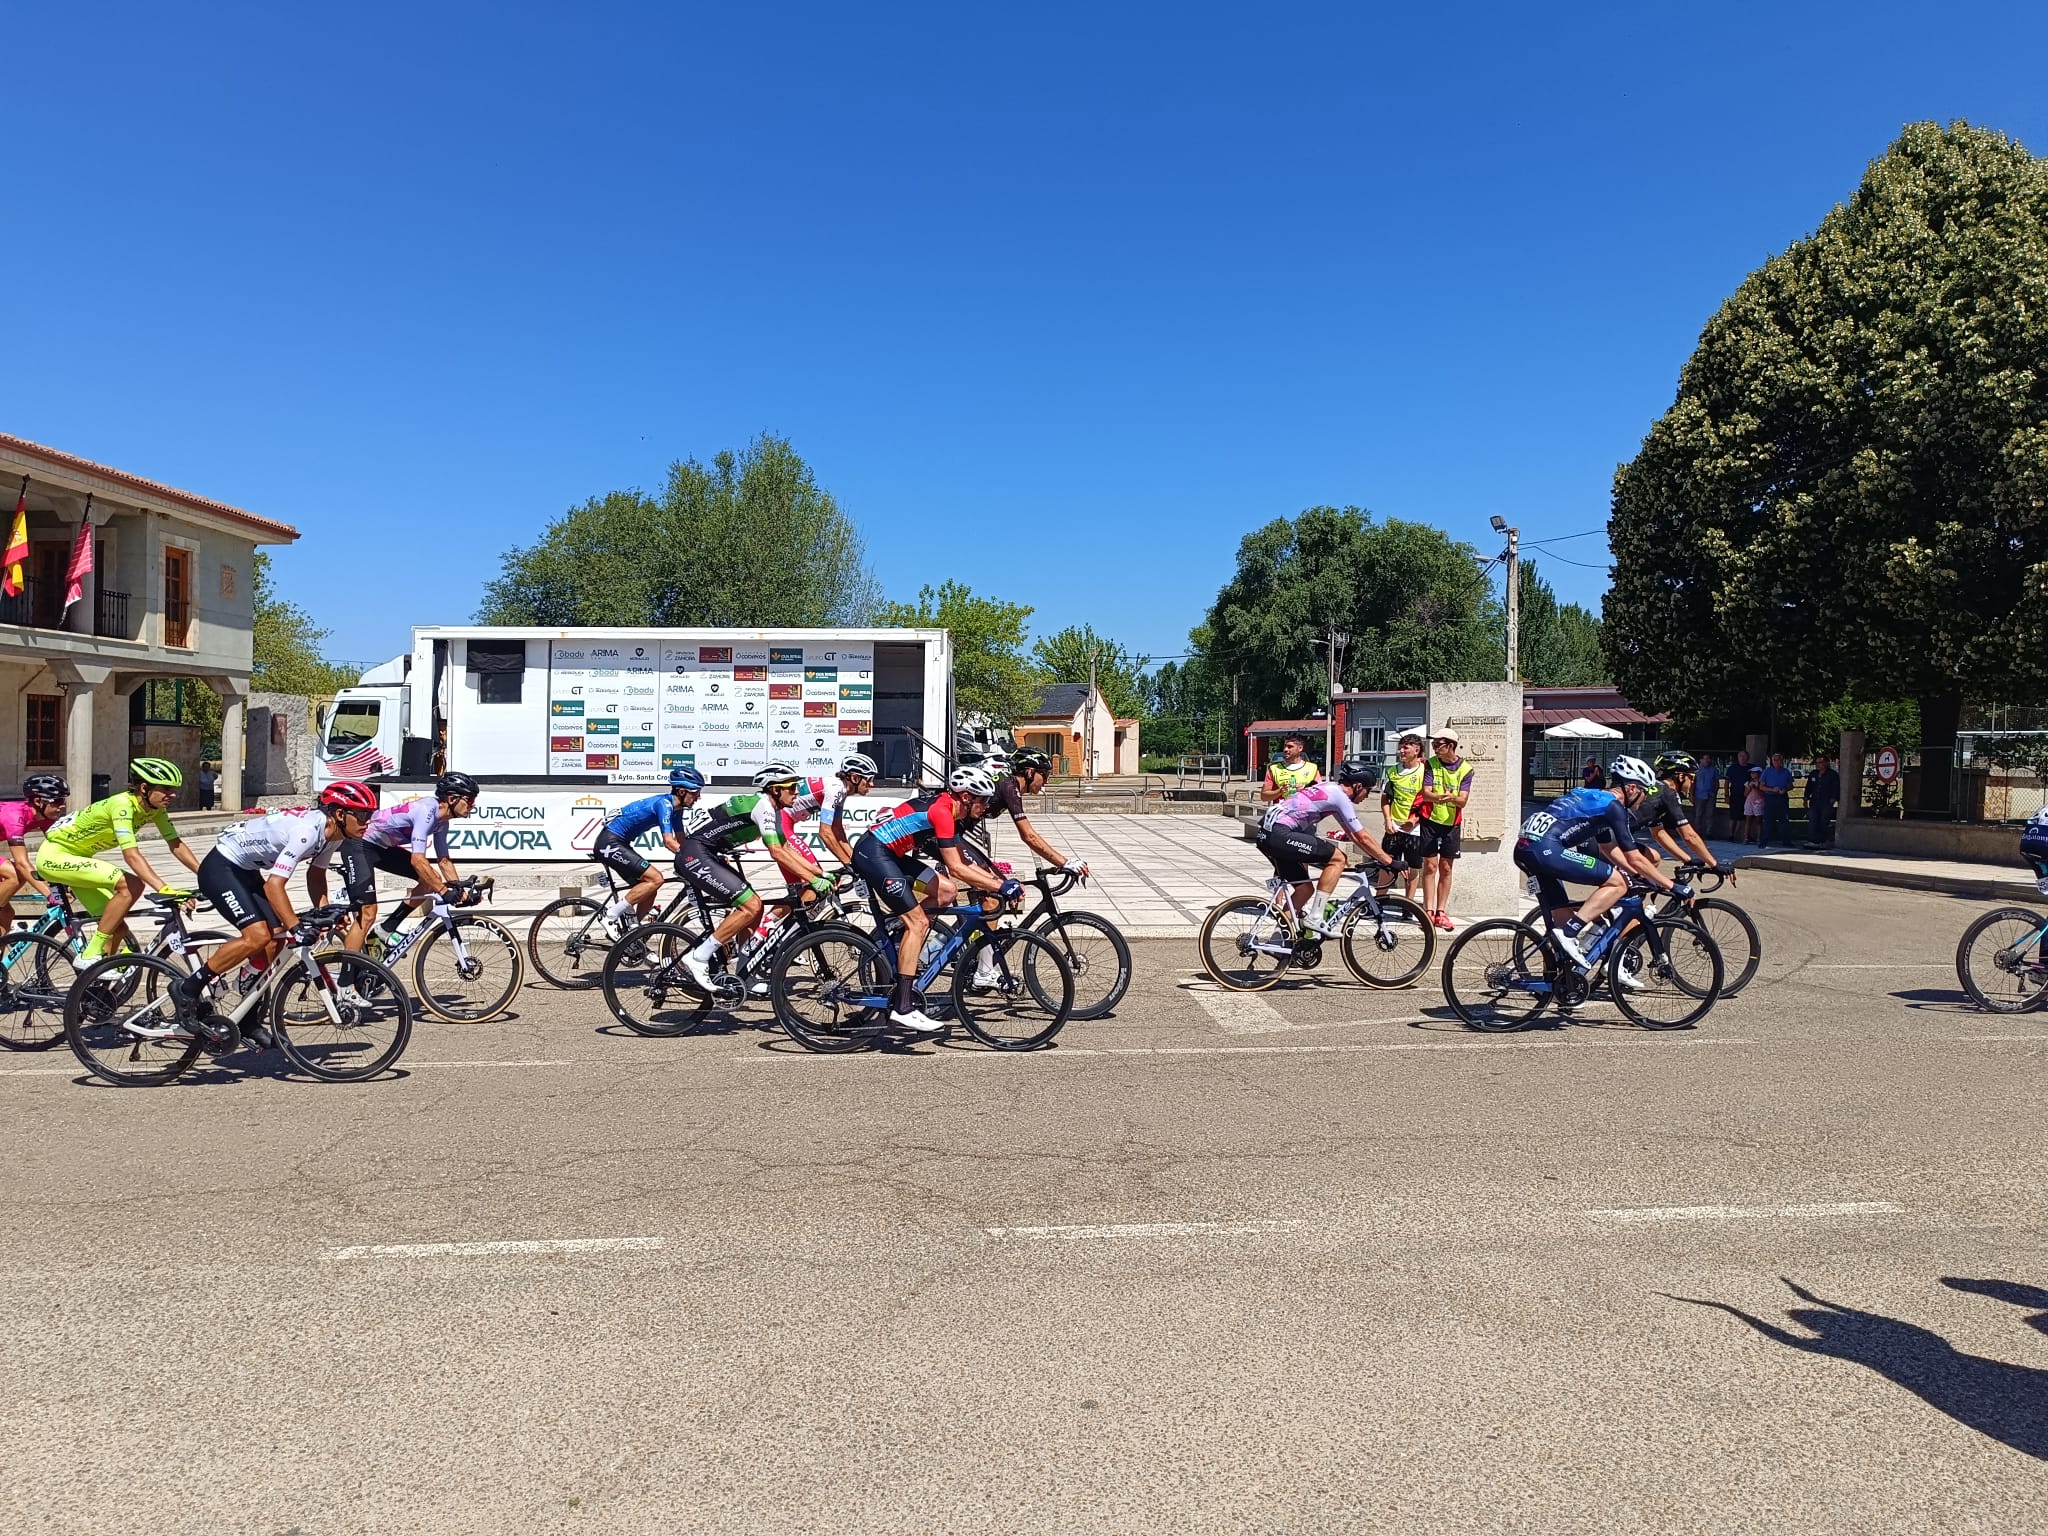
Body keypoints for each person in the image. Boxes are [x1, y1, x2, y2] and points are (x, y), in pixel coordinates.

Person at [173, 780, 379, 1046]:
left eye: (370, 816)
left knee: (275, 940)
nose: (367, 822)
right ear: (340, 814)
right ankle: (187, 989)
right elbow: (274, 885)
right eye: (363, 816)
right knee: (257, 936)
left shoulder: (333, 835)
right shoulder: (307, 832)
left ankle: (246, 1015)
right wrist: (296, 925)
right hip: (221, 867)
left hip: (245, 870)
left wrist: (325, 912)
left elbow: (316, 874)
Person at [852, 764, 1019, 1033]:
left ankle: (900, 932)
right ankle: (903, 1007)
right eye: (983, 800)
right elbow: (957, 867)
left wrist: (998, 883)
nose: (986, 806)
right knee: (918, 923)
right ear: (966, 797)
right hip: (873, 854)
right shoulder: (942, 812)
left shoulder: (948, 810)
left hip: (889, 854)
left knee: (947, 891)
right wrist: (1000, 888)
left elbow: (965, 867)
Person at [1513, 755, 1686, 976]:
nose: (1644, 799)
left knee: (1560, 922)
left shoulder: (1593, 799)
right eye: (1643, 792)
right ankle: (1570, 933)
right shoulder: (1614, 808)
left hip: (1526, 849)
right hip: (1547, 850)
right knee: (1617, 883)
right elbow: (1635, 857)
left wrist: (1638, 876)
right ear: (1631, 788)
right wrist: (1671, 886)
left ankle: (1556, 984)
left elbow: (1608, 848)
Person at [675, 763, 838, 995]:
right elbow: (776, 852)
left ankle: (745, 975)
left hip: (709, 853)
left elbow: (786, 848)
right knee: (750, 905)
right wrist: (811, 880)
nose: (796, 792)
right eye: (791, 787)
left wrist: (819, 874)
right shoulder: (763, 806)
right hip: (695, 853)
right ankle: (699, 956)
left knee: (756, 908)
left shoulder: (774, 810)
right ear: (774, 790)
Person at [33, 757, 203, 960]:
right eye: (166, 789)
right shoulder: (122, 805)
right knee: (132, 884)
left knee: (118, 927)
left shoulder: (155, 810)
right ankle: (90, 955)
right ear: (144, 788)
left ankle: (104, 977)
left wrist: (206, 875)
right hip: (56, 856)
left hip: (77, 858)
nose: (173, 794)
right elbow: (131, 855)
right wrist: (163, 888)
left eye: (174, 789)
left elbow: (175, 844)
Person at [339, 770, 481, 954]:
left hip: (381, 848)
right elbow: (417, 860)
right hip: (359, 844)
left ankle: (387, 928)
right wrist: (444, 891)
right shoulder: (426, 810)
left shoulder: (442, 823)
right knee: (367, 915)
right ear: (452, 798)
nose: (473, 805)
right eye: (469, 800)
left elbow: (444, 861)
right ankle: (346, 977)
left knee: (430, 880)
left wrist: (460, 891)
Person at [1257, 759, 1392, 934]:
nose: (1367, 795)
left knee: (1304, 889)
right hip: (1279, 833)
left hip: (1266, 833)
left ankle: (1277, 941)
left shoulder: (1330, 788)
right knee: (1338, 858)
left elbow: (1354, 836)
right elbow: (1362, 837)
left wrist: (1379, 857)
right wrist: (1390, 862)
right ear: (1358, 786)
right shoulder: (1340, 797)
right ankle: (1315, 917)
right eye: (1368, 790)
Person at [589, 766, 704, 936]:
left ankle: (632, 934)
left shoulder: (677, 810)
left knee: (650, 887)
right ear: (681, 791)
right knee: (656, 879)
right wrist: (693, 861)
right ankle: (610, 915)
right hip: (609, 842)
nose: (698, 797)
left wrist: (700, 856)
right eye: (695, 792)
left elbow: (682, 842)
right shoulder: (664, 805)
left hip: (620, 843)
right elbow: (668, 842)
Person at [1632, 752, 1729, 872]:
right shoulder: (1668, 794)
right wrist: (1714, 864)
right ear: (1681, 776)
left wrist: (1687, 860)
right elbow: (1689, 835)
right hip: (1612, 836)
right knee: (1620, 884)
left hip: (1613, 834)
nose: (1693, 782)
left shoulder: (1656, 788)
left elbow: (1659, 833)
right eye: (1692, 777)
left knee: (1653, 858)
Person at [1416, 729, 1473, 932]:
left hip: (1452, 823)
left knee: (1446, 868)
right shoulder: (1431, 764)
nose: (1434, 748)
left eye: (1438, 744)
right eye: (1433, 744)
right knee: (1430, 866)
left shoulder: (1466, 769)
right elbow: (1426, 793)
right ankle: (1428, 911)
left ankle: (1441, 911)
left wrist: (1452, 798)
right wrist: (1442, 797)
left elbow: (1463, 801)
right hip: (1430, 819)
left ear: (1450, 745)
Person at [0, 773, 68, 912]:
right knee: (15, 875)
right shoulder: (14, 816)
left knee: (6, 916)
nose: (62, 806)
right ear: (38, 801)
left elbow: (60, 850)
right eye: (57, 801)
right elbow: (22, 863)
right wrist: (50, 895)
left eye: (63, 801)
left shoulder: (46, 818)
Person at [1378, 733, 1427, 900]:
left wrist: (1415, 819)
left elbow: (1429, 801)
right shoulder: (1393, 771)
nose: (1401, 751)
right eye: (1401, 747)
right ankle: (1378, 900)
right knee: (1386, 864)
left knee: (1413, 868)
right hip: (1395, 827)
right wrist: (1388, 819)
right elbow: (1386, 798)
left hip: (1415, 828)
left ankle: (1409, 904)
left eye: (1405, 747)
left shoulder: (1425, 771)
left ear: (1417, 749)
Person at [813, 753, 880, 868]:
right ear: (854, 778)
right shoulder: (835, 788)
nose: (872, 784)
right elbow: (825, 833)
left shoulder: (842, 791)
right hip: (784, 820)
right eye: (869, 779)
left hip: (787, 821)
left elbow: (837, 829)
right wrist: (847, 863)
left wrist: (854, 860)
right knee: (815, 877)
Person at [1261, 734, 1319, 803]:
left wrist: (1305, 789)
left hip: (1307, 811)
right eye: (1285, 746)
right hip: (1284, 811)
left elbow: (1321, 792)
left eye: (1290, 747)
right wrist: (1280, 791)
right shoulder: (1274, 769)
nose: (1285, 749)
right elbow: (1264, 796)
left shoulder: (1312, 768)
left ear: (1300, 748)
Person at [1758, 752, 1794, 848]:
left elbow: (1791, 785)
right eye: (1775, 760)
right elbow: (1761, 786)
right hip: (1770, 797)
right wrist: (1771, 789)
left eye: (1779, 760)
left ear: (1782, 761)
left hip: (1782, 797)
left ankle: (1786, 842)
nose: (1777, 762)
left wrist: (1785, 789)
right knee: (1768, 820)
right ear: (1772, 761)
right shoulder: (1767, 771)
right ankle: (1764, 842)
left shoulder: (1786, 772)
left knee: (1784, 820)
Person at [1806, 754, 1841, 847]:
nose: (1818, 765)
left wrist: (1833, 799)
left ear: (1826, 763)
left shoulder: (1832, 775)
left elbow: (1836, 788)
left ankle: (1822, 840)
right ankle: (1812, 840)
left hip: (1826, 802)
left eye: (1820, 762)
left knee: (1823, 821)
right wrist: (1806, 797)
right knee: (1813, 820)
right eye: (1816, 763)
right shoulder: (1813, 774)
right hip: (1814, 801)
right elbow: (1809, 786)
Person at [1725, 750, 1756, 842]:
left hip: (1749, 796)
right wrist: (1726, 794)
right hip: (1735, 795)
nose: (1742, 758)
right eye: (1740, 756)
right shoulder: (1732, 768)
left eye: (1744, 756)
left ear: (1748, 757)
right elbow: (1727, 782)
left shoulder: (1752, 768)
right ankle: (1731, 835)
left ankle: (1746, 835)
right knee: (1733, 817)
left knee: (1748, 816)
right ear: (1738, 758)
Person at [1691, 754, 1721, 840]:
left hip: (1710, 795)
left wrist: (1715, 792)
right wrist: (1691, 795)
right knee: (1698, 814)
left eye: (1708, 759)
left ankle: (1709, 833)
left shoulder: (1714, 769)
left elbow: (1716, 781)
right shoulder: (1696, 770)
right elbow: (1692, 783)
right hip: (1699, 795)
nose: (1707, 760)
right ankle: (1697, 832)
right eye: (1705, 759)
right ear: (1701, 760)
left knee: (1710, 814)